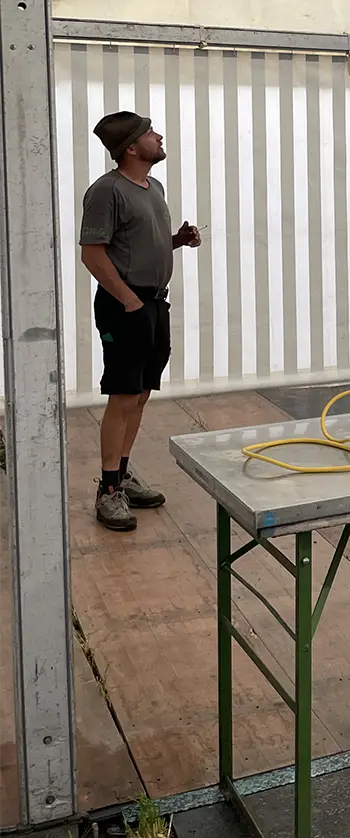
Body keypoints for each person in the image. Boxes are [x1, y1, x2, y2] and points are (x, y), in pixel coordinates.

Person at [79, 112, 202, 531]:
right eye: (150, 133)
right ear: (131, 147)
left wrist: (177, 241)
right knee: (123, 395)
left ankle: (123, 473)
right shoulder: (106, 191)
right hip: (125, 306)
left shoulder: (155, 187)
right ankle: (108, 489)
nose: (159, 136)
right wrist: (129, 300)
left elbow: (138, 243)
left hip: (153, 304)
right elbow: (92, 253)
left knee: (142, 392)